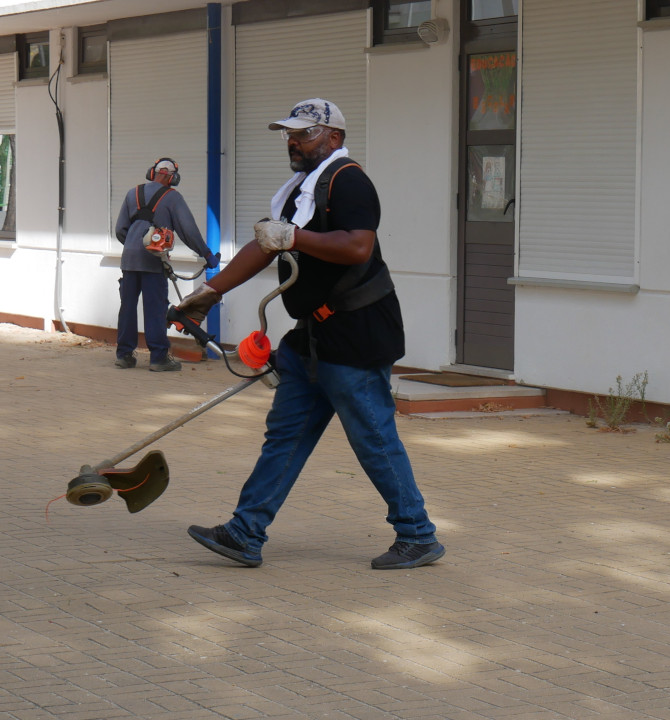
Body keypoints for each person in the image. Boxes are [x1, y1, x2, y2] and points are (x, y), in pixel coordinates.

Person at [177, 98, 445, 570]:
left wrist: (294, 239)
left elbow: (358, 246)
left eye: (304, 134)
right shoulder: (300, 189)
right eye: (290, 134)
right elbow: (267, 244)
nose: (293, 142)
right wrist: (210, 292)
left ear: (334, 139)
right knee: (284, 436)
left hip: (355, 334)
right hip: (312, 339)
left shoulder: (350, 181)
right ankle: (245, 532)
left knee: (374, 439)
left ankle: (418, 535)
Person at [113, 157, 219, 372]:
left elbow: (120, 230)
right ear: (173, 177)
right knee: (156, 309)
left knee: (127, 308)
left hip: (129, 259)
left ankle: (124, 355)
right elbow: (188, 230)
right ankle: (158, 357)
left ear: (152, 172)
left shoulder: (132, 193)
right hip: (153, 261)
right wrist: (207, 254)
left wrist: (134, 244)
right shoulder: (172, 197)